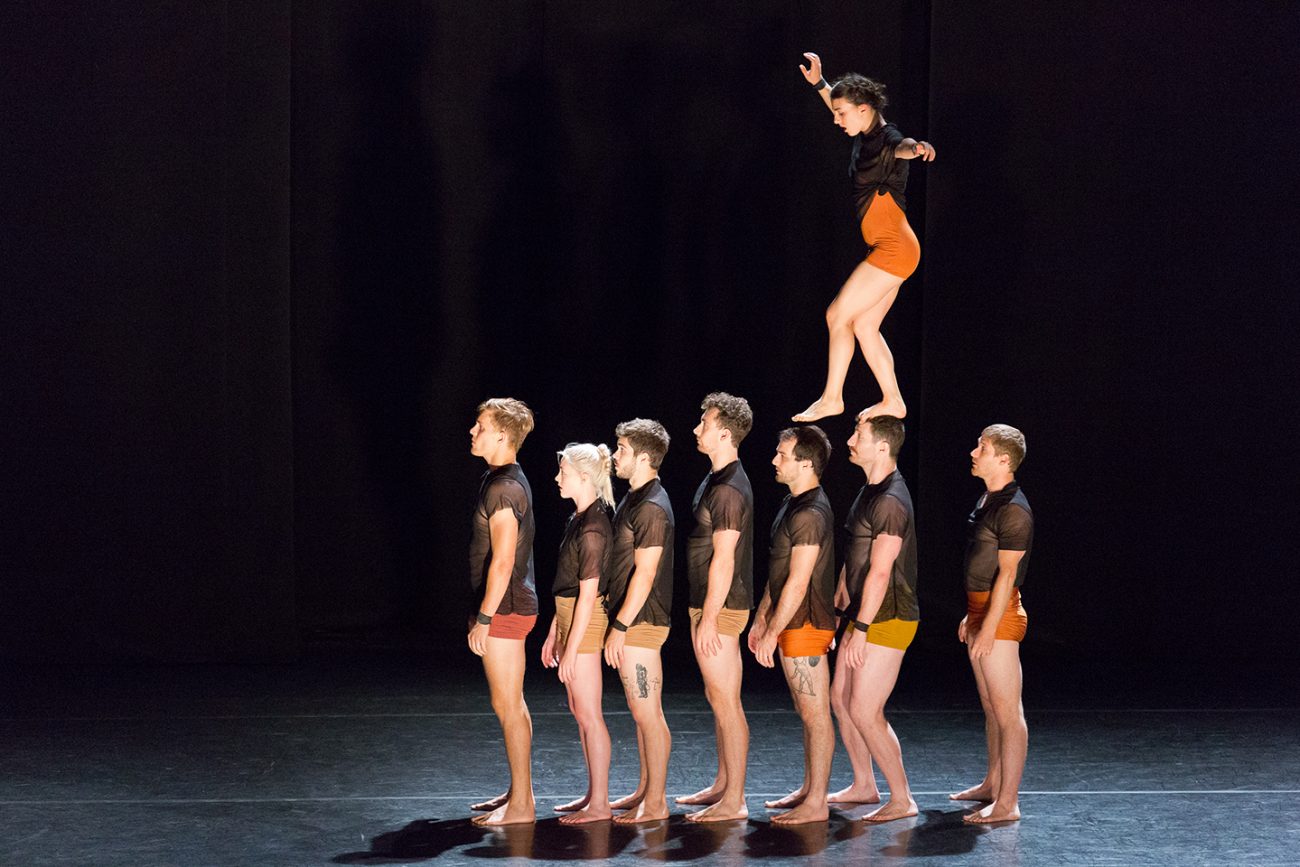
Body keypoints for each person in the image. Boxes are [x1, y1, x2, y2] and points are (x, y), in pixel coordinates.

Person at [791, 52, 936, 424]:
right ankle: (893, 400)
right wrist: (821, 85)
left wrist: (916, 148)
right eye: (836, 112)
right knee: (865, 325)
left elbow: (903, 147)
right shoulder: (866, 133)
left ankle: (832, 397)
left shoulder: (888, 140)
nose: (836, 119)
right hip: (895, 249)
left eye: (841, 113)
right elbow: (840, 106)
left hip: (893, 249)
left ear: (865, 109)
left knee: (837, 314)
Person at [831, 413, 919, 822]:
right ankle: (864, 784)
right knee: (841, 700)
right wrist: (842, 602)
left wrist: (861, 629)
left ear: (882, 447)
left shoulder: (890, 500)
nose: (850, 440)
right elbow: (858, 555)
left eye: (858, 435)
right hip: (863, 613)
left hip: (887, 617)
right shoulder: (869, 491)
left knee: (866, 709)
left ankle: (902, 798)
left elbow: (882, 570)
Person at [749, 425, 837, 825]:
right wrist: (761, 616)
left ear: (805, 462)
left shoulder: (811, 513)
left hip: (806, 624)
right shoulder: (793, 503)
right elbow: (780, 571)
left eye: (782, 455)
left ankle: (817, 803)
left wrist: (771, 631)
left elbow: (800, 581)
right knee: (807, 713)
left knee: (816, 714)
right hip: (790, 621)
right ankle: (809, 789)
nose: (774, 460)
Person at [677, 393, 756, 823]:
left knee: (727, 701)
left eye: (703, 423)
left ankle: (735, 800)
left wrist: (709, 617)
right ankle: (724, 783)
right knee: (716, 695)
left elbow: (725, 558)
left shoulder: (728, 489)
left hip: (721, 608)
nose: (696, 429)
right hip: (706, 603)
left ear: (725, 433)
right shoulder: (716, 478)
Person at [950, 424, 1033, 824]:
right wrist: (972, 614)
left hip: (1001, 617)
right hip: (982, 610)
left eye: (981, 447)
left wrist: (988, 624)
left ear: (1003, 459)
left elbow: (1006, 575)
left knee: (1007, 711)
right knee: (990, 706)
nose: (973, 452)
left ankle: (1008, 803)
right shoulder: (989, 498)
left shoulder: (1014, 509)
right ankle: (992, 783)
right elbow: (982, 565)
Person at [466, 397, 538, 826]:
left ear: (502, 435)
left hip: (506, 610)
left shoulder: (503, 488)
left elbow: (504, 559)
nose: (472, 432)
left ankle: (523, 808)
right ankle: (519, 792)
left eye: (480, 426)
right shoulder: (500, 480)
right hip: (509, 606)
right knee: (514, 704)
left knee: (507, 705)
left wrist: (485, 617)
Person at [602, 418, 675, 824]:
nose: (616, 456)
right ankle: (646, 790)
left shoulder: (650, 506)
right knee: (640, 710)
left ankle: (658, 801)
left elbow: (646, 574)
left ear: (644, 457)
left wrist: (620, 626)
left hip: (642, 622)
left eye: (622, 450)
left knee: (648, 713)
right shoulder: (635, 497)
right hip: (634, 621)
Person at [540, 443, 616, 824]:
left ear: (585, 477)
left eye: (563, 473)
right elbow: (567, 584)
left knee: (589, 713)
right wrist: (556, 630)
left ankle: (600, 804)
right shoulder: (579, 518)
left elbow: (588, 594)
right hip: (571, 616)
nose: (557, 478)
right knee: (578, 709)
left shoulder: (594, 527)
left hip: (586, 621)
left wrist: (572, 649)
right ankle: (592, 795)